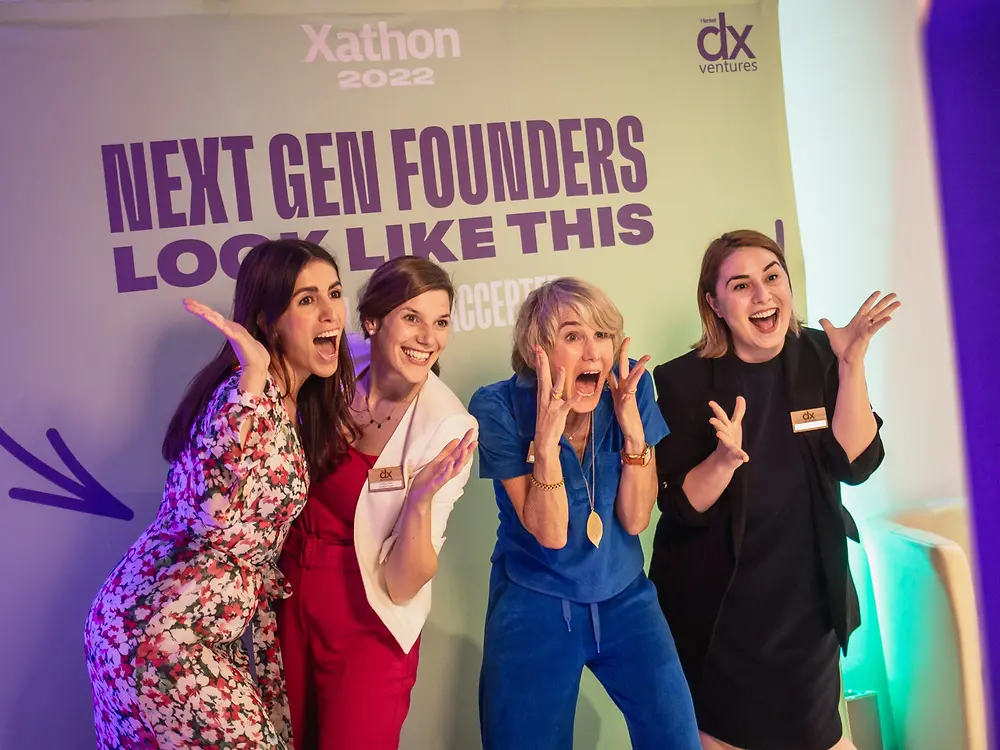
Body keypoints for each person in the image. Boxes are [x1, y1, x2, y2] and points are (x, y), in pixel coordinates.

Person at [84, 239, 355, 749]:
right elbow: (211, 513)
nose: (329, 312)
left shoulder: (293, 401)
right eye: (306, 299)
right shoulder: (243, 392)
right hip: (160, 636)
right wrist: (252, 377)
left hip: (191, 632)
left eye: (334, 293)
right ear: (267, 320)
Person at [648, 229, 899, 750]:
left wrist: (852, 365)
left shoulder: (821, 354)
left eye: (772, 277)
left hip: (804, 606)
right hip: (716, 618)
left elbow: (854, 464)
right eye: (741, 285)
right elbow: (678, 504)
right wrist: (722, 461)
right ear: (714, 303)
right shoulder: (681, 382)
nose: (763, 295)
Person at [469, 277, 701, 750]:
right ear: (538, 351)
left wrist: (634, 435)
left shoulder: (631, 387)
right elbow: (551, 534)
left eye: (602, 335)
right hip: (535, 602)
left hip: (624, 596)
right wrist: (548, 445)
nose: (593, 353)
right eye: (573, 336)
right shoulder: (496, 406)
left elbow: (636, 521)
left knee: (676, 740)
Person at [277, 256, 478, 750]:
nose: (428, 337)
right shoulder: (329, 369)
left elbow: (404, 582)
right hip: (288, 600)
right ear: (372, 321)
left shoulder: (448, 427)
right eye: (412, 317)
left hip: (369, 615)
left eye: (441, 322)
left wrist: (420, 501)